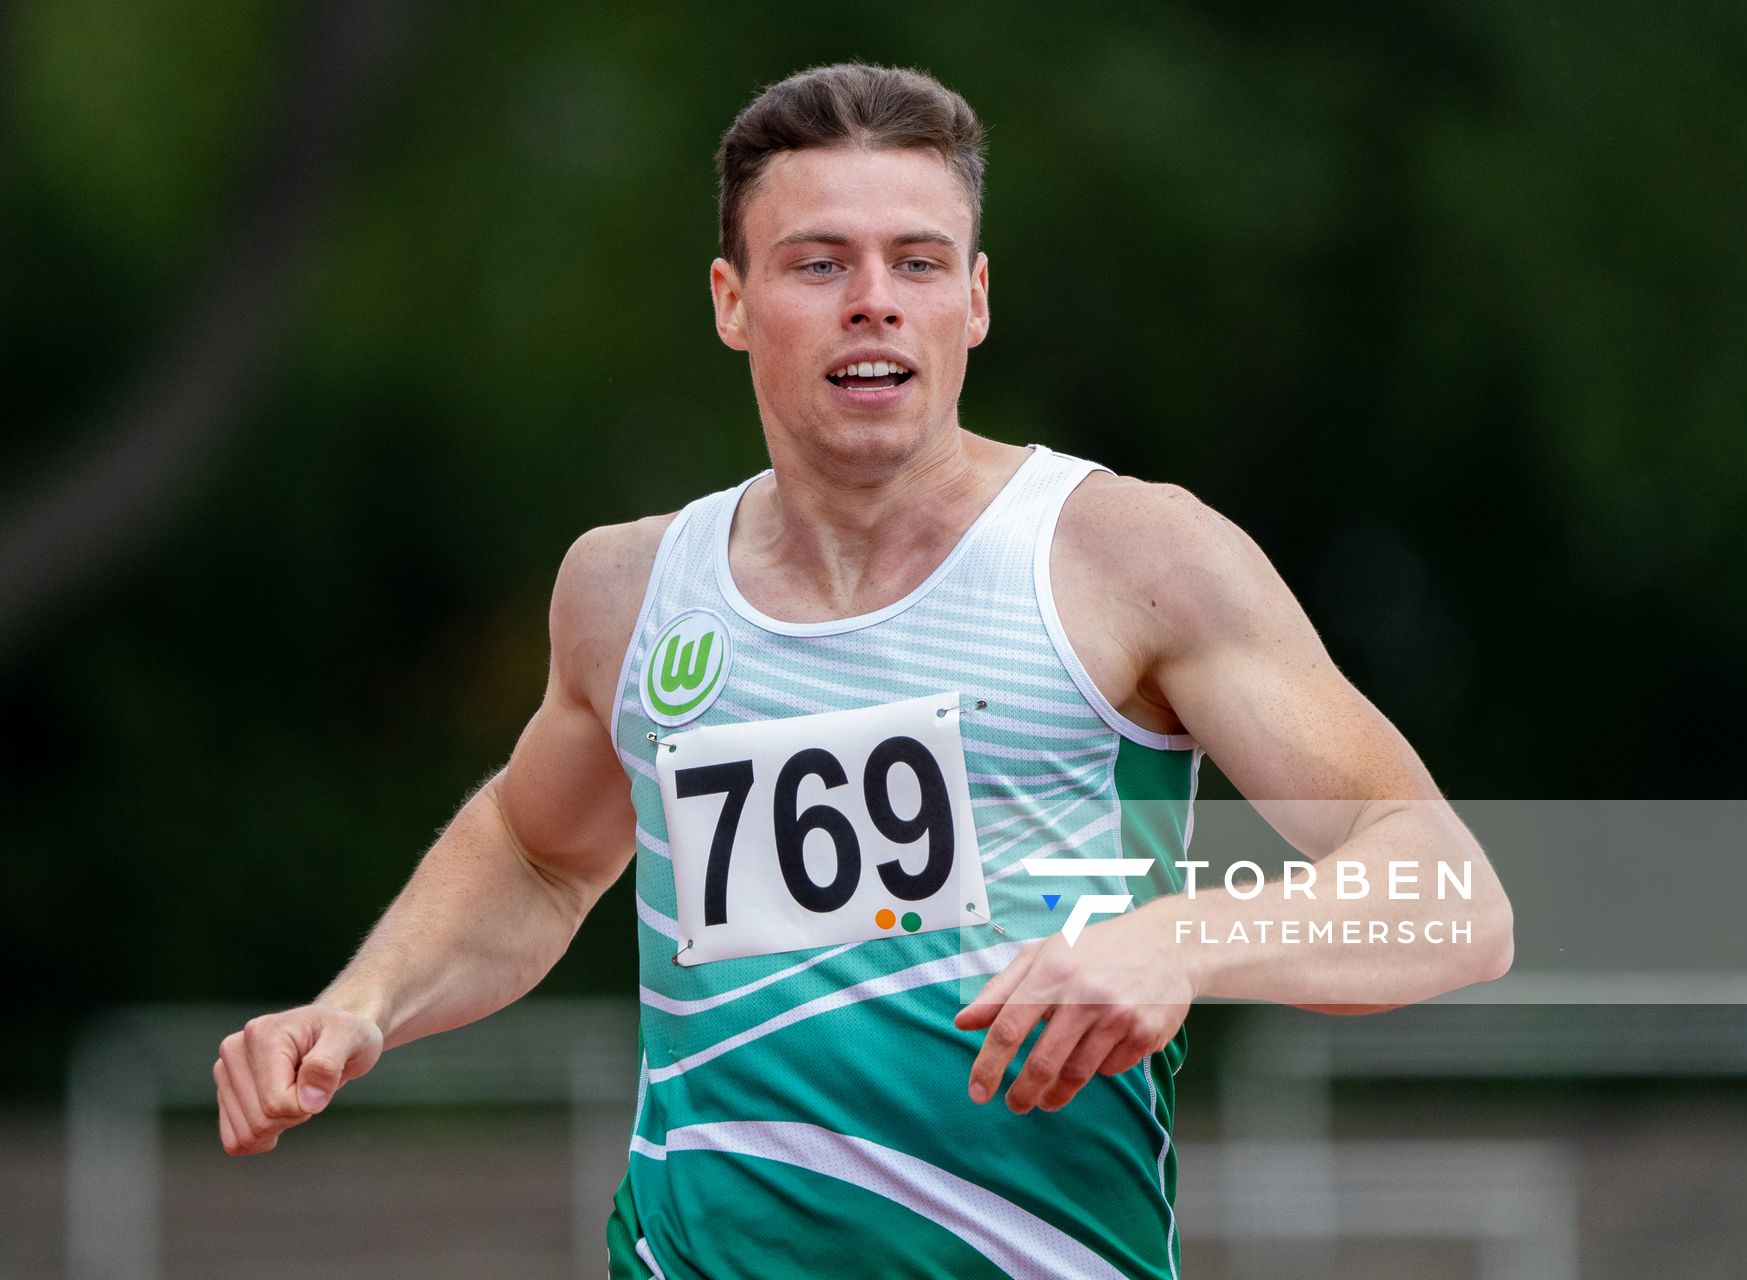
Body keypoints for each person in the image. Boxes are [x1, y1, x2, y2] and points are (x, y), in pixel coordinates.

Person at [215, 62, 1513, 1279]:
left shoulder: (1132, 558)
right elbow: (544, 851)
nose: (873, 299)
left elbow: (1451, 897)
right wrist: (361, 1009)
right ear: (731, 302)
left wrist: (1179, 943)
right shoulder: (626, 592)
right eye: (818, 262)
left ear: (976, 300)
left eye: (917, 262)